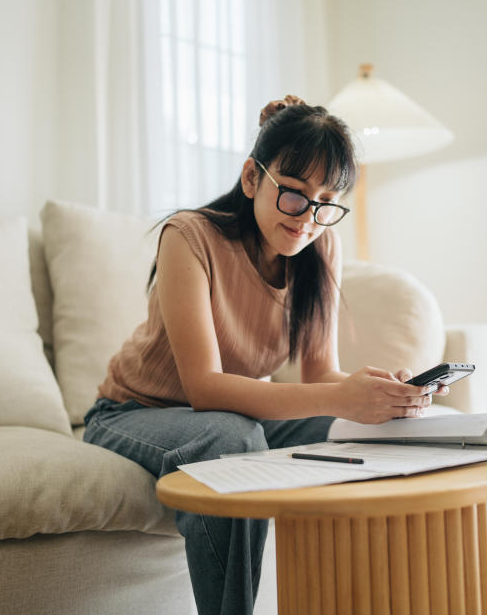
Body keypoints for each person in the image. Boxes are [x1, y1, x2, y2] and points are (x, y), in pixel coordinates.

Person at [82, 95, 448, 615]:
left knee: (386, 430)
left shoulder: (320, 246)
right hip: (137, 413)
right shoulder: (190, 237)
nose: (309, 219)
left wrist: (376, 395)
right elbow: (204, 388)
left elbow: (321, 372)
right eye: (295, 195)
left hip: (235, 415)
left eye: (326, 202)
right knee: (234, 437)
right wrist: (337, 396)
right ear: (253, 178)